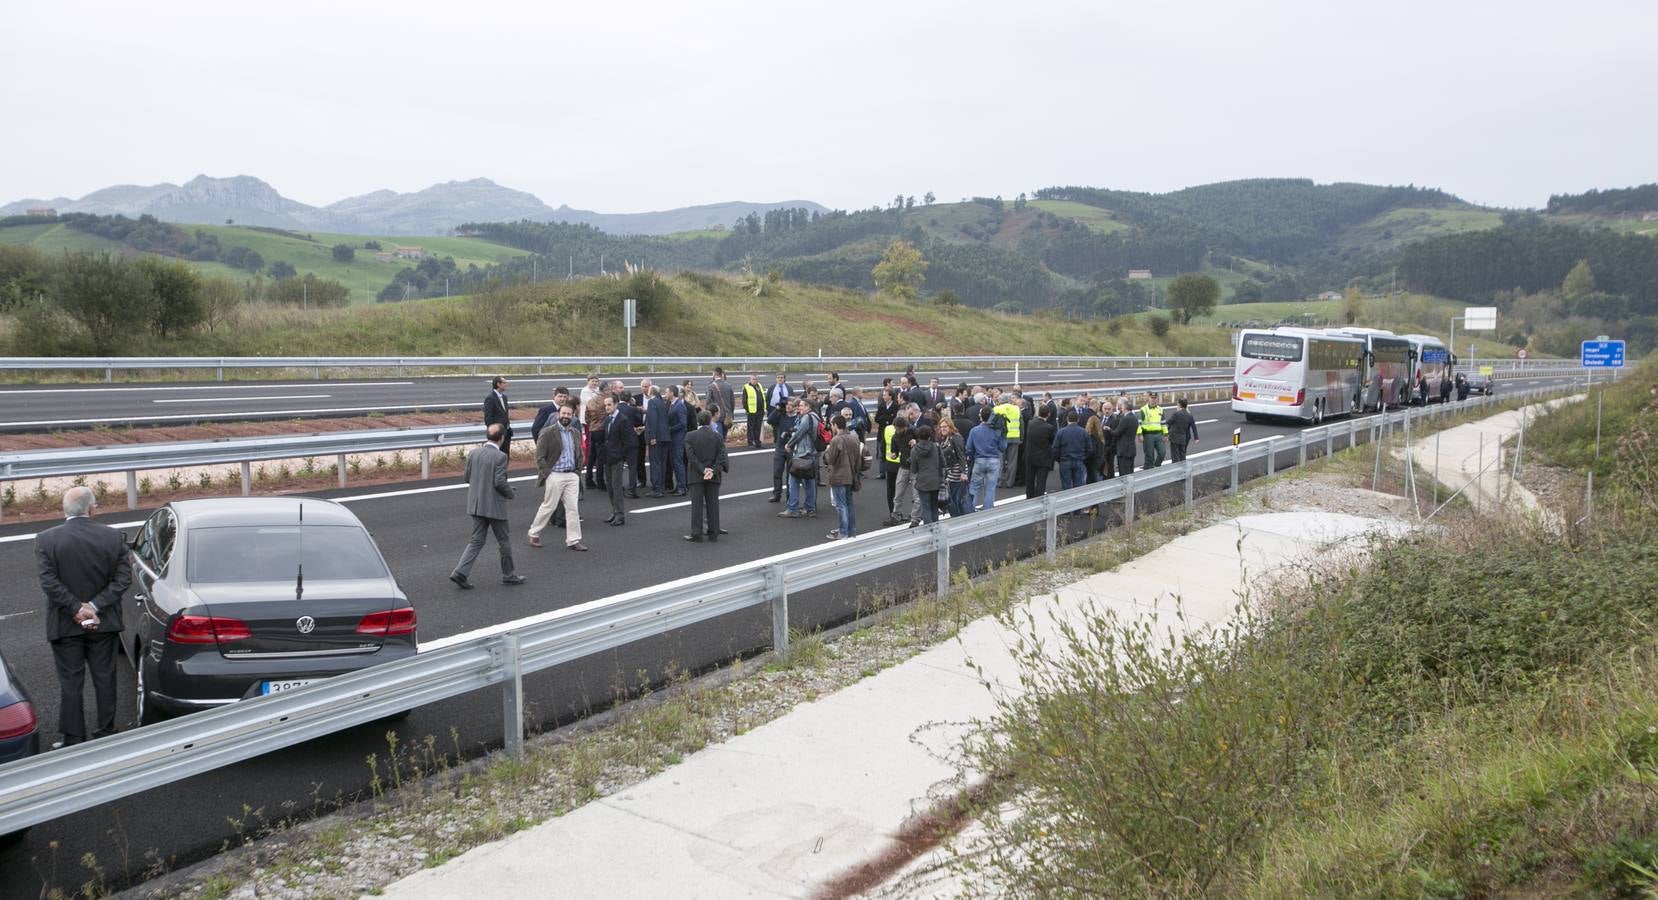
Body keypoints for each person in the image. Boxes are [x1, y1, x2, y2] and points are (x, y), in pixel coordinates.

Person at [36, 485, 129, 747]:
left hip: (65, 623)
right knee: (105, 677)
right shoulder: (113, 538)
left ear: (64, 510)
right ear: (91, 508)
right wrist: (95, 607)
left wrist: (76, 609)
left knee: (70, 682)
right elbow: (123, 580)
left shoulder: (46, 539)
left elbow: (49, 582)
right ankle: (106, 731)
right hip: (104, 622)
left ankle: (73, 737)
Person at [451, 423, 524, 589]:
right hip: (494, 506)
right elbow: (499, 482)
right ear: (501, 438)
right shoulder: (500, 457)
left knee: (476, 540)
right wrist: (509, 494)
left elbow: (467, 477)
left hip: (476, 504)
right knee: (503, 540)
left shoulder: (474, 453)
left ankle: (460, 571)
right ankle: (509, 574)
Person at [528, 401, 587, 552]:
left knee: (573, 509)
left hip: (571, 475)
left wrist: (577, 472)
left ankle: (573, 540)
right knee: (549, 506)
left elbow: (579, 453)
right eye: (563, 413)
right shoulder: (548, 432)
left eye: (569, 414)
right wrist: (548, 475)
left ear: (573, 415)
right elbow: (539, 457)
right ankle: (534, 533)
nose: (566, 416)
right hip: (555, 475)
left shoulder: (575, 432)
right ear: (558, 415)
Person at [682, 411, 729, 542]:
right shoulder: (717, 436)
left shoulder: (690, 436)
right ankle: (713, 532)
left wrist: (703, 470)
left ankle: (696, 533)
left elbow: (691, 457)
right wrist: (712, 471)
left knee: (697, 505)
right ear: (710, 421)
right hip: (713, 476)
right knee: (713, 504)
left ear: (698, 421)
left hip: (696, 475)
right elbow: (721, 456)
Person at [822, 414, 862, 540]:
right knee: (849, 504)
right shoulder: (854, 438)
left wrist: (827, 452)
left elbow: (831, 459)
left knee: (841, 505)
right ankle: (851, 531)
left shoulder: (836, 440)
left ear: (835, 425)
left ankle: (843, 532)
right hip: (851, 475)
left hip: (838, 476)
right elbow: (858, 459)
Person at [779, 397, 820, 518]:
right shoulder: (816, 416)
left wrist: (789, 444)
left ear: (808, 407)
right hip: (812, 452)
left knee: (793, 480)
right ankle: (809, 508)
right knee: (810, 480)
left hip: (803, 452)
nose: (799, 407)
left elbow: (800, 433)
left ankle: (792, 508)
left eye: (802, 406)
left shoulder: (807, 417)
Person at [602, 395, 637, 526]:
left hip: (617, 459)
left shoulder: (623, 420)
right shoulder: (607, 419)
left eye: (609, 405)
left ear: (616, 404)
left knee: (617, 488)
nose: (607, 407)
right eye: (605, 405)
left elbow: (628, 441)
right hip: (607, 458)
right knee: (610, 487)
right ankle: (614, 511)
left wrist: (620, 456)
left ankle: (620, 515)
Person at [966, 406, 1006, 512]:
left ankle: (970, 508)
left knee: (974, 486)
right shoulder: (997, 431)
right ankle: (987, 510)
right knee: (990, 488)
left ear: (981, 417)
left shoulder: (974, 430)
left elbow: (968, 448)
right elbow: (1003, 447)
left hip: (979, 460)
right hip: (993, 461)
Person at [909, 424, 944, 524]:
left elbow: (914, 469)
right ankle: (936, 529)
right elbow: (943, 463)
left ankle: (929, 530)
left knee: (926, 507)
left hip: (922, 482)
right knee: (934, 506)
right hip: (936, 481)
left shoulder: (914, 450)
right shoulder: (936, 447)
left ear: (918, 436)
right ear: (930, 436)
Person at [936, 416, 970, 517]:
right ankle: (957, 518)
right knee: (952, 498)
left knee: (958, 499)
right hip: (951, 473)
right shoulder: (945, 438)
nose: (943, 429)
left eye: (945, 426)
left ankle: (961, 518)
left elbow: (961, 455)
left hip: (958, 473)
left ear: (950, 426)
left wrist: (964, 473)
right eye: (941, 427)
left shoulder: (956, 438)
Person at [882, 414, 911, 525]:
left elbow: (883, 445)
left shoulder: (912, 433)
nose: (896, 430)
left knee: (894, 491)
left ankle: (897, 514)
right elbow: (892, 449)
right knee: (897, 493)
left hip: (897, 464)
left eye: (898, 428)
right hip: (901, 465)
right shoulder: (896, 435)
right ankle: (895, 514)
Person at [643, 386, 671, 497]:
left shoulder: (652, 402)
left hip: (657, 437)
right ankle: (662, 487)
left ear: (651, 392)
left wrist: (652, 436)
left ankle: (657, 489)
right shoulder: (662, 402)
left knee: (655, 463)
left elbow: (653, 419)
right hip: (665, 436)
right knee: (662, 463)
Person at [769, 397, 798, 503]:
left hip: (792, 449)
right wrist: (777, 409)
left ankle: (789, 495)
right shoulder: (781, 416)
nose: (788, 406)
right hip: (780, 448)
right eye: (787, 404)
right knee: (777, 472)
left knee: (790, 474)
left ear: (795, 407)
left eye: (790, 405)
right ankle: (776, 494)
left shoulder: (798, 418)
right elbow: (769, 420)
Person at [1053, 410, 1090, 491]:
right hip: (1079, 460)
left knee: (1066, 486)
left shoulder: (1061, 432)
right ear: (1078, 419)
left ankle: (1067, 502)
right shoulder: (1083, 432)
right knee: (1078, 486)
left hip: (1065, 461)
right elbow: (1089, 449)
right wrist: (1083, 457)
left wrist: (1060, 460)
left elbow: (1055, 449)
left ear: (1067, 419)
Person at [1023, 406, 1056, 499]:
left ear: (1038, 412)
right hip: (1043, 457)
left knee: (1030, 480)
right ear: (1048, 414)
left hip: (1030, 456)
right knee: (1041, 481)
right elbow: (1052, 441)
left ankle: (1029, 498)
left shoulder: (1031, 423)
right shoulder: (1049, 428)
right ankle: (1039, 500)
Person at [994, 391, 1024, 487]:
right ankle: (1010, 482)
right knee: (1012, 462)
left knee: (1000, 461)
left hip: (1001, 438)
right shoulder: (1016, 409)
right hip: (1015, 437)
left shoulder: (996, 409)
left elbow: (992, 425)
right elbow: (1021, 425)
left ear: (1000, 401)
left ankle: (999, 481)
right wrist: (1021, 438)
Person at [583, 384, 609, 490]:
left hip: (592, 429)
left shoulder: (591, 400)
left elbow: (586, 417)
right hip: (601, 430)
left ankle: (588, 479)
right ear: (605, 390)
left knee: (591, 456)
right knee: (600, 457)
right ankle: (600, 481)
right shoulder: (606, 401)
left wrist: (591, 425)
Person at [874, 386, 901, 481]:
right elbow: (876, 418)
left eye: (885, 395)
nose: (883, 396)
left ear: (890, 396)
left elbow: (894, 419)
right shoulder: (882, 406)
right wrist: (887, 419)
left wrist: (885, 419)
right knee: (882, 453)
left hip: (892, 433)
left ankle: (894, 471)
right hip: (882, 432)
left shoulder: (896, 406)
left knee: (893, 452)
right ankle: (882, 472)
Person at [667, 385, 690, 496]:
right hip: (673, 438)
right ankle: (679, 485)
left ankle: (682, 487)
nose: (665, 394)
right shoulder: (672, 405)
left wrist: (669, 429)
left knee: (678, 462)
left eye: (667, 392)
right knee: (675, 463)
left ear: (672, 393)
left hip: (678, 438)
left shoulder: (679, 406)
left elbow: (683, 424)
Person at [483, 376, 514, 456]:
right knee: (496, 456)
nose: (506, 384)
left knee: (505, 455)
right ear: (498, 384)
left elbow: (504, 414)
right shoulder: (490, 398)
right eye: (504, 383)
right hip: (497, 434)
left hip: (506, 433)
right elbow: (488, 418)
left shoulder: (504, 397)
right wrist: (493, 433)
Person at [1138, 392, 1168, 468]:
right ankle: (1148, 470)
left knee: (1162, 452)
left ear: (1157, 399)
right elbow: (1139, 423)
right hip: (1148, 435)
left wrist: (1166, 434)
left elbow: (1163, 423)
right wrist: (1140, 434)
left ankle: (1156, 466)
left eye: (1155, 398)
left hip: (1158, 434)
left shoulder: (1160, 410)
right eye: (1152, 398)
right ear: (1149, 398)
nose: (1153, 400)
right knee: (1149, 455)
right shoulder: (1143, 409)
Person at [1166, 397, 1199, 463]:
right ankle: (1183, 470)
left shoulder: (1176, 414)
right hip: (1184, 438)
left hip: (1174, 438)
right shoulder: (1189, 415)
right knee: (1182, 455)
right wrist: (1196, 437)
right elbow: (1193, 426)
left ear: (1179, 404)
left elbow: (1169, 423)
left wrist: (1165, 433)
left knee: (1175, 457)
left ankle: (1177, 471)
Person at [1112, 399, 1140, 476]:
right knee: (1130, 471)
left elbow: (1116, 433)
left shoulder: (1125, 419)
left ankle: (1126, 488)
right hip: (1131, 449)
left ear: (1125, 408)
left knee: (1124, 472)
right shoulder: (1134, 418)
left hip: (1124, 450)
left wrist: (1109, 429)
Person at [707, 367, 736, 437]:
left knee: (718, 436)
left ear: (714, 374)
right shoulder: (728, 385)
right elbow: (732, 402)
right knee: (724, 436)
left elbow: (708, 401)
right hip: (727, 415)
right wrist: (730, 413)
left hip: (716, 415)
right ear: (721, 374)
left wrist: (710, 414)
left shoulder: (711, 386)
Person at [742, 373, 768, 448]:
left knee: (758, 427)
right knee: (751, 428)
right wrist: (747, 410)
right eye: (753, 379)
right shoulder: (746, 387)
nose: (755, 380)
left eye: (756, 379)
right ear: (750, 380)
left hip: (760, 411)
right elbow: (744, 400)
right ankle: (750, 442)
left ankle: (758, 443)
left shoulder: (759, 385)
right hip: (751, 411)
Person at [1085, 414, 1109, 482]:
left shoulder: (1089, 437)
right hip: (1100, 461)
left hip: (1092, 463)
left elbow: (1091, 451)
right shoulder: (1100, 436)